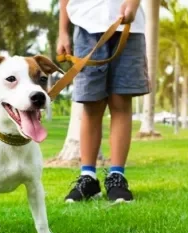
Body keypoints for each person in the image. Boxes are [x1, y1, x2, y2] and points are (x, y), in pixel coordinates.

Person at [57, 0, 150, 203]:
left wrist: (134, 3)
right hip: (85, 24)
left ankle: (117, 177)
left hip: (128, 26)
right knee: (91, 105)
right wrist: (63, 31)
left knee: (120, 102)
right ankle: (88, 178)